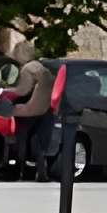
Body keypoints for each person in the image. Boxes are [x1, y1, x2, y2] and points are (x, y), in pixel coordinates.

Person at [9, 43, 67, 179]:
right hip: (45, 109)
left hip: (30, 109)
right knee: (38, 140)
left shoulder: (27, 70)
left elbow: (22, 90)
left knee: (21, 137)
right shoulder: (42, 68)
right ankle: (41, 171)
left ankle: (19, 171)